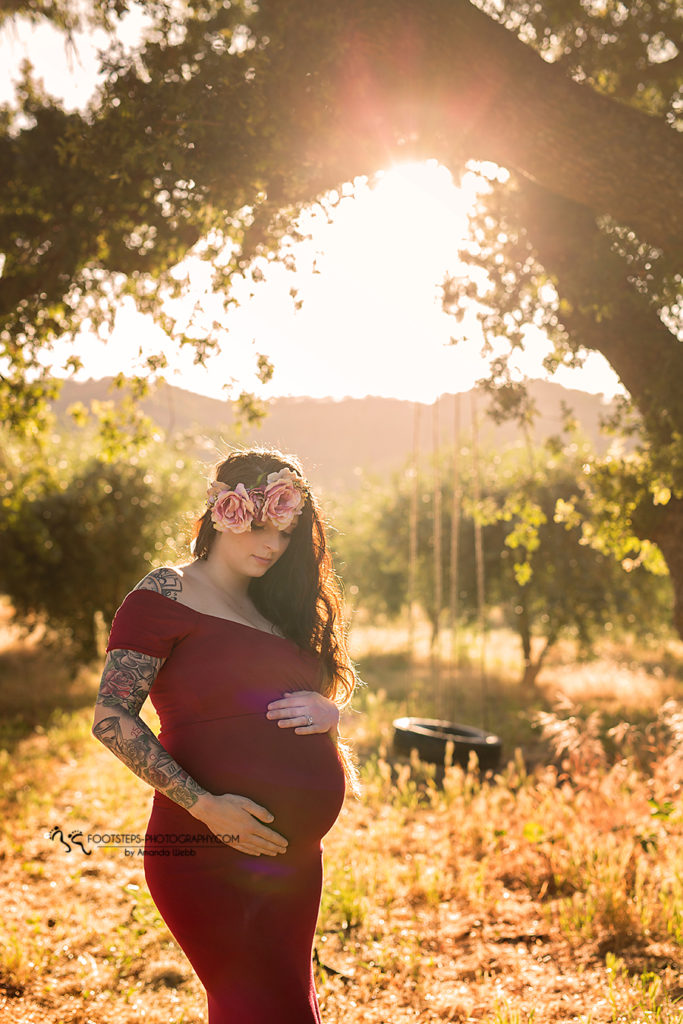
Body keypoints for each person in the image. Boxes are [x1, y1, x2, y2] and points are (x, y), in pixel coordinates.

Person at [91, 446, 359, 1023]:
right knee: (259, 1008)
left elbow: (299, 695)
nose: (272, 544)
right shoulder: (165, 594)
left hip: (291, 859)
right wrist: (206, 806)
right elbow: (111, 718)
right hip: (207, 847)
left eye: (286, 533)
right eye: (260, 527)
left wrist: (330, 712)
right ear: (223, 512)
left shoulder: (275, 605)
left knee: (286, 1007)